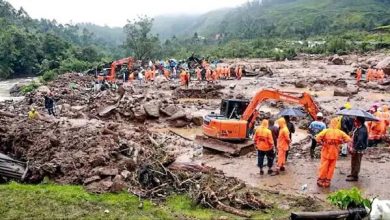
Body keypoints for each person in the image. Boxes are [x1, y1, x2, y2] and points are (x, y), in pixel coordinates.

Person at [315, 118, 351, 187]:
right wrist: (341, 142)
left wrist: (322, 143)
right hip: (334, 152)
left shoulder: (326, 131)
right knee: (331, 167)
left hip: (326, 151)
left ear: (330, 123)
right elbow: (348, 139)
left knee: (324, 166)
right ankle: (327, 181)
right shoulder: (340, 132)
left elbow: (317, 138)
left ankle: (321, 180)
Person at [347, 117, 368, 182]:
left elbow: (360, 140)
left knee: (357, 161)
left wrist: (354, 148)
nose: (354, 122)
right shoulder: (358, 128)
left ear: (360, 122)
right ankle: (352, 173)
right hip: (355, 147)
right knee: (353, 160)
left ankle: (355, 176)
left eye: (356, 121)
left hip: (359, 148)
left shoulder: (362, 130)